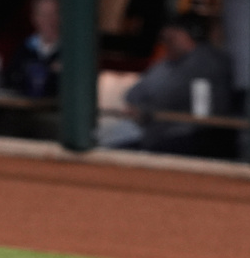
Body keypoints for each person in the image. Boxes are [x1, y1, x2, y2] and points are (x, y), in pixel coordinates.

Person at [97, 13, 233, 156]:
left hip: (188, 138)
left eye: (172, 38)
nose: (166, 43)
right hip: (155, 134)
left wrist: (147, 110)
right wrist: (140, 108)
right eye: (165, 39)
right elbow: (134, 93)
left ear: (190, 36)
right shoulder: (166, 63)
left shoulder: (207, 62)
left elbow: (199, 113)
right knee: (106, 146)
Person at [6, 0, 61, 98]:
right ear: (34, 18)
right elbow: (10, 79)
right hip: (25, 110)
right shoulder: (25, 47)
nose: (50, 20)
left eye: (54, 13)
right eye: (44, 15)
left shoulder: (73, 50)